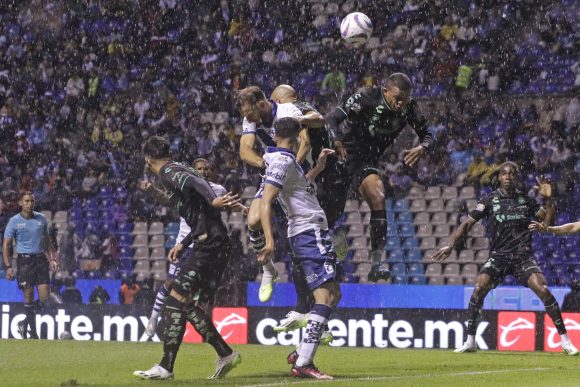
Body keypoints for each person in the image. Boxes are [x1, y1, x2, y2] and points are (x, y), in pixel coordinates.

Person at [432, 162, 579, 355]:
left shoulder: (526, 201)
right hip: (499, 256)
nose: (508, 176)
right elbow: (467, 224)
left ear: (516, 177)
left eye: (512, 173)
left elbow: (547, 224)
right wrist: (450, 244)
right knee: (479, 288)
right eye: (504, 174)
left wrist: (549, 200)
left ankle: (565, 341)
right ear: (499, 177)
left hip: (522, 257)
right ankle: (470, 341)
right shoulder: (489, 201)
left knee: (543, 290)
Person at [134, 136, 241, 380]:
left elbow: (196, 182)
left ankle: (172, 365)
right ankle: (215, 355)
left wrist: (212, 197)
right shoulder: (178, 168)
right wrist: (183, 243)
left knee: (176, 298)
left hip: (210, 246)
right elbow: (183, 202)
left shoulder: (168, 171)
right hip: (208, 242)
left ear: (148, 159)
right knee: (180, 301)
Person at [326, 73, 433, 281]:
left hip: (366, 161)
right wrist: (336, 141)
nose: (400, 103)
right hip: (341, 154)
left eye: (405, 98)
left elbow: (428, 134)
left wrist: (423, 146)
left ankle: (376, 264)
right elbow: (331, 119)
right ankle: (331, 238)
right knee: (330, 209)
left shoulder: (409, 107)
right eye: (397, 98)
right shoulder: (365, 98)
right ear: (386, 91)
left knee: (379, 197)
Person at [258, 117, 341, 379]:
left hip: (310, 231)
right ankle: (304, 362)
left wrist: (317, 168)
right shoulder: (283, 161)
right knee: (324, 297)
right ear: (297, 137)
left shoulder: (282, 158)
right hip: (308, 231)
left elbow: (296, 187)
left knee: (334, 294)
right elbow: (266, 201)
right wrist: (269, 240)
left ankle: (301, 352)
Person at [139, 157, 247, 337]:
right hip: (186, 243)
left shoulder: (217, 190)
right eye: (199, 168)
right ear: (193, 170)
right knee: (170, 282)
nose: (203, 171)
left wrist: (244, 209)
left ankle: (200, 327)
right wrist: (151, 189)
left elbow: (230, 204)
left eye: (206, 168)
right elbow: (167, 200)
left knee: (199, 291)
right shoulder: (186, 188)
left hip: (205, 244)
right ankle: (154, 318)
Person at [269, 85, 344, 339]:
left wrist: (295, 165)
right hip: (325, 187)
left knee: (306, 248)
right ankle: (312, 316)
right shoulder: (286, 155)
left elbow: (317, 121)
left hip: (325, 189)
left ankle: (306, 310)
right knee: (327, 280)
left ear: (280, 99)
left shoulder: (294, 108)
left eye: (273, 100)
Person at [235, 86, 314, 303]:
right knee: (253, 220)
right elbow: (245, 151)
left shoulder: (287, 111)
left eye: (249, 113)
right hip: (277, 169)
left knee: (308, 225)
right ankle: (268, 270)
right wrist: (265, 163)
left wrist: (291, 168)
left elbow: (305, 143)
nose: (248, 119)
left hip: (301, 169)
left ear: (260, 104)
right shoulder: (250, 118)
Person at [3, 191, 58, 339]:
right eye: (26, 201)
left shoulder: (41, 219)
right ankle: (33, 334)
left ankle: (25, 323)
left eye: (32, 201)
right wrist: (8, 266)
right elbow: (6, 244)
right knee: (28, 298)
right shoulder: (14, 221)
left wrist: (53, 259)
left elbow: (47, 240)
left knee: (45, 298)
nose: (29, 204)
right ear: (21, 203)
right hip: (24, 262)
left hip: (40, 260)